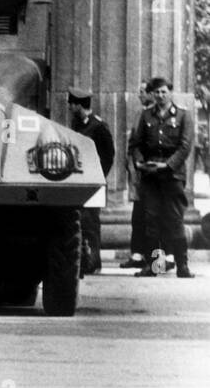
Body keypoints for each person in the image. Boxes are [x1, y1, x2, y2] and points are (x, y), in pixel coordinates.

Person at [128, 77, 195, 278]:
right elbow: (135, 144)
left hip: (172, 175)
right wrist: (140, 162)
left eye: (164, 92)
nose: (160, 95)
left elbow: (185, 146)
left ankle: (182, 265)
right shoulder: (146, 115)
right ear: (152, 95)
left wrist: (167, 165)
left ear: (170, 93)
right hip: (150, 175)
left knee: (174, 219)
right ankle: (154, 265)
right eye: (156, 92)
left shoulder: (183, 116)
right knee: (152, 221)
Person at [68, 88, 114, 276]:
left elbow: (109, 155)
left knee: (91, 223)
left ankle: (93, 261)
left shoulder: (99, 126)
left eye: (71, 104)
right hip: (80, 181)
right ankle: (84, 261)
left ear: (79, 105)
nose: (69, 107)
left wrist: (98, 176)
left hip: (94, 182)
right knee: (80, 220)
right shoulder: (76, 124)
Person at [120, 82, 154, 271]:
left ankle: (154, 259)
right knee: (138, 216)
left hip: (148, 173)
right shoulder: (141, 113)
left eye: (143, 91)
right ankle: (138, 254)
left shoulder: (152, 116)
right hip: (138, 172)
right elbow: (134, 143)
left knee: (151, 217)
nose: (139, 95)